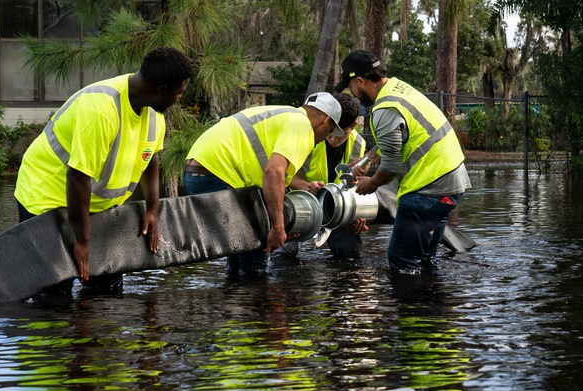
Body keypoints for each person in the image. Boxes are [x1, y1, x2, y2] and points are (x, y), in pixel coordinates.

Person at [14, 47, 193, 290]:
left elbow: (150, 158)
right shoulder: (100, 109)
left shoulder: (154, 114)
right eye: (179, 93)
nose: (179, 99)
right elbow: (78, 177)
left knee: (106, 286)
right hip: (45, 196)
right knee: (54, 291)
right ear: (161, 91)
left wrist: (152, 209)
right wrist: (83, 241)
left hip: (97, 207)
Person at [335, 50, 470, 273]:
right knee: (425, 259)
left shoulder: (384, 108)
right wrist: (367, 159)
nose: (353, 93)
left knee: (401, 261)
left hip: (428, 189)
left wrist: (372, 184)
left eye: (350, 86)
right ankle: (434, 302)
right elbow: (402, 138)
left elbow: (390, 167)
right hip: (453, 183)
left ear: (360, 80)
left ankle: (410, 307)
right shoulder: (399, 88)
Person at [183, 92, 347, 272]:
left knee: (240, 247)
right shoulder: (303, 126)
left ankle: (236, 295)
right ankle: (255, 297)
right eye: (330, 130)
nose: (327, 137)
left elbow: (276, 171)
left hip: (198, 173)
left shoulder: (287, 115)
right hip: (217, 174)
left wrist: (305, 186)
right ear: (326, 120)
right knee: (257, 246)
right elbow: (274, 172)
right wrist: (278, 228)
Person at [271, 92, 368, 261]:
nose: (332, 139)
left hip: (334, 207)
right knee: (282, 252)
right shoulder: (306, 134)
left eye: (340, 135)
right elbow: (280, 175)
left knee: (351, 253)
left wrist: (356, 214)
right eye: (330, 132)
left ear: (353, 126)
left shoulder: (358, 144)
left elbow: (350, 189)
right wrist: (306, 186)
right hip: (296, 201)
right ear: (327, 120)